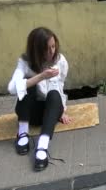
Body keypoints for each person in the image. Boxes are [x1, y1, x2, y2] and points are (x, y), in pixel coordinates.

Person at [7, 27, 72, 171]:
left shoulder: (60, 60)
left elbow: (60, 86)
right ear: (36, 49)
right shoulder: (24, 62)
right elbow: (11, 88)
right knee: (26, 85)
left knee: (54, 93)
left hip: (49, 113)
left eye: (53, 46)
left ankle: (42, 147)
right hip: (32, 114)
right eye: (46, 49)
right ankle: (22, 133)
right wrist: (41, 76)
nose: (51, 52)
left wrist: (61, 110)